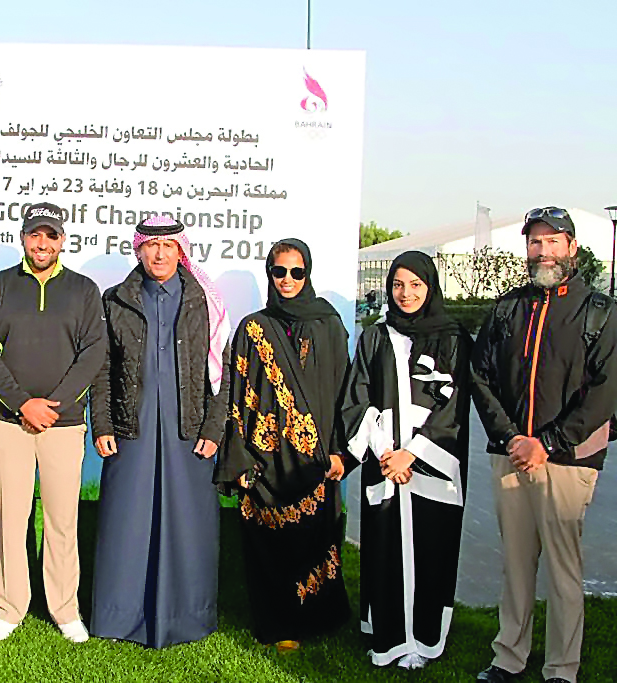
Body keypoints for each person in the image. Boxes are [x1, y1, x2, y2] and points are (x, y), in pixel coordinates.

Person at [471, 208, 617, 683]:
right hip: (512, 454)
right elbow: (480, 376)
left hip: (569, 460)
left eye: (553, 241)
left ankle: (561, 668)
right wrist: (512, 436)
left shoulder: (599, 312)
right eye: (535, 242)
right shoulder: (507, 308)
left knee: (562, 567)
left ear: (572, 247)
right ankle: (509, 656)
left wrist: (547, 443)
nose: (543, 251)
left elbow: (604, 393)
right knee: (515, 564)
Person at [89, 215, 231, 648]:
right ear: (139, 250)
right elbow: (102, 368)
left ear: (180, 251)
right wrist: (103, 422)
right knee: (127, 524)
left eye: (168, 246)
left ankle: (187, 617)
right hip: (132, 430)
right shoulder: (116, 300)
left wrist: (214, 427)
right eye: (151, 245)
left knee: (188, 524)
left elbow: (223, 373)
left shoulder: (204, 301)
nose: (159, 253)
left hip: (189, 430)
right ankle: (118, 617)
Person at [0, 202, 106, 643]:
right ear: (23, 238)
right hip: (9, 422)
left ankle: (65, 609)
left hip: (63, 425)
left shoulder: (83, 289)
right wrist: (22, 403)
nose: (42, 243)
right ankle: (10, 607)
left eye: (50, 235)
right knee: (11, 516)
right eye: (35, 235)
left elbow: (93, 352)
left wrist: (55, 405)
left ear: (62, 240)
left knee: (62, 520)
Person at [214, 238, 350, 650]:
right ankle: (277, 623)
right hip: (265, 459)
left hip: (315, 459)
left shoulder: (328, 324)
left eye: (296, 272)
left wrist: (340, 450)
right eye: (279, 271)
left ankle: (319, 618)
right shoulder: (253, 328)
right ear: (269, 274)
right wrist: (239, 458)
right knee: (269, 545)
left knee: (315, 540)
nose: (287, 280)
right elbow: (237, 395)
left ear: (307, 274)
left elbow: (343, 391)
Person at [341, 250, 471, 669]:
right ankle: (388, 636)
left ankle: (424, 638)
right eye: (398, 284)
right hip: (385, 463)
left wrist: (412, 454)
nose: (406, 293)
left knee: (430, 549)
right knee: (386, 549)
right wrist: (385, 451)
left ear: (430, 287)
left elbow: (455, 404)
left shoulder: (452, 337)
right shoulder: (375, 337)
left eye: (415, 284)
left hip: (431, 464)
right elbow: (357, 396)